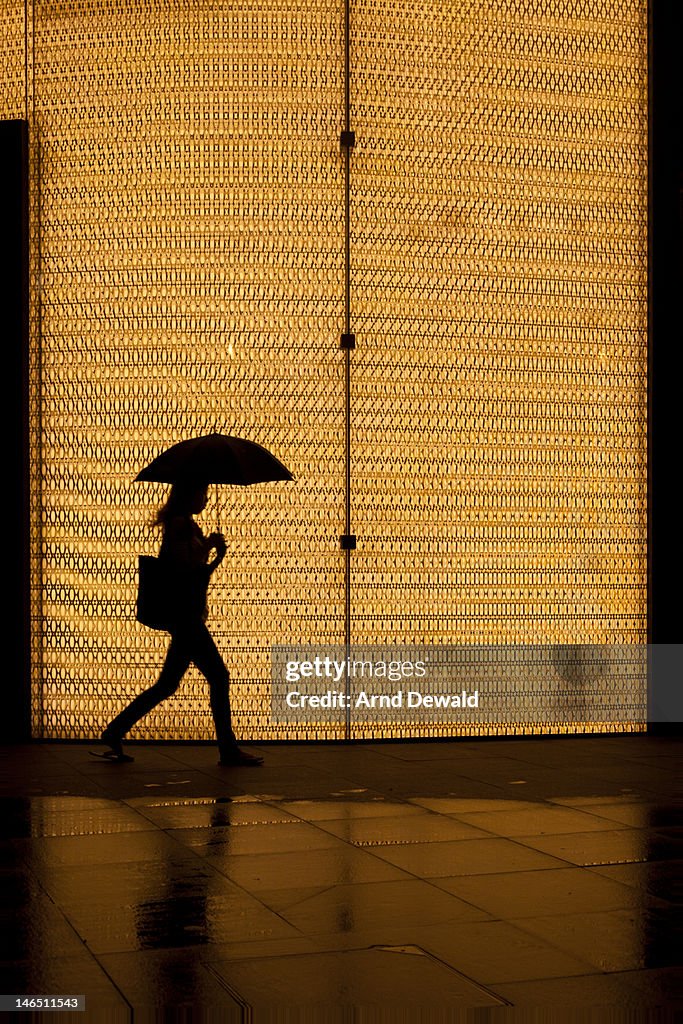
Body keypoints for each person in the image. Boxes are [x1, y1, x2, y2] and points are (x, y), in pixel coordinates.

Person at [101, 480, 263, 766]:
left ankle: (115, 730)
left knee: (167, 685)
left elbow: (195, 571)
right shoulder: (181, 525)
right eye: (202, 492)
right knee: (219, 676)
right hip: (186, 617)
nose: (206, 498)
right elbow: (185, 570)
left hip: (185, 615)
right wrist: (210, 549)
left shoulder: (184, 524)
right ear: (190, 494)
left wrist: (214, 554)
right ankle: (228, 749)